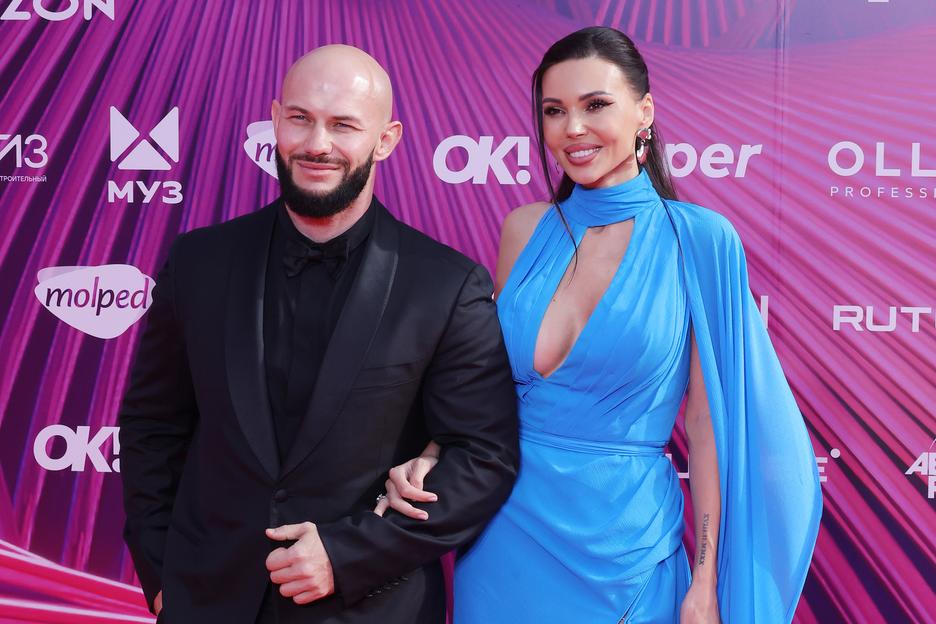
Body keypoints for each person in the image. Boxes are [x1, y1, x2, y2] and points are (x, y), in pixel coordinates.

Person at [376, 27, 822, 623]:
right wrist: (435, 451)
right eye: (554, 111)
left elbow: (706, 425)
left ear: (645, 112)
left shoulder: (700, 240)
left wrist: (705, 579)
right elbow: (488, 385)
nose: (573, 128)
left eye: (595, 105)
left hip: (626, 550)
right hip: (505, 535)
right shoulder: (524, 229)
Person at [118, 44, 519, 624]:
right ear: (275, 120)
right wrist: (162, 575)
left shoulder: (446, 285)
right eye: (301, 118)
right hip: (206, 601)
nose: (317, 144)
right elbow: (153, 427)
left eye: (344, 125)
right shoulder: (198, 263)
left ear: (386, 140)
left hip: (367, 608)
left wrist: (351, 554)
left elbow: (483, 456)